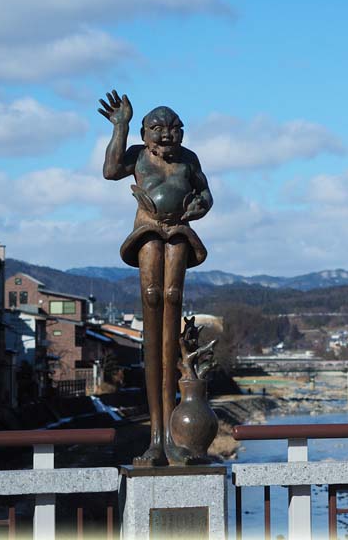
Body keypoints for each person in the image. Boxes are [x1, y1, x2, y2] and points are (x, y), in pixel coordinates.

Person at [100, 90, 213, 466]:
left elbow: (206, 194)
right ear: (146, 133)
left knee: (171, 297)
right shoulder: (137, 155)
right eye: (157, 130)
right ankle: (156, 436)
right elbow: (111, 170)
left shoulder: (189, 160)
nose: (166, 136)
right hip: (147, 230)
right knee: (151, 296)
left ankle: (171, 437)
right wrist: (121, 127)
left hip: (179, 231)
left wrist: (198, 206)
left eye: (174, 129)